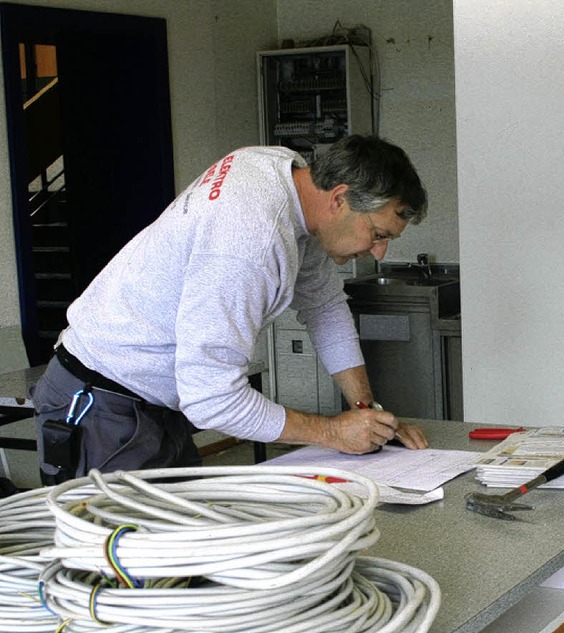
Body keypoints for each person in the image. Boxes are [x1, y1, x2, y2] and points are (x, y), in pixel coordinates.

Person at [31, 134, 429, 485]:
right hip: (101, 406)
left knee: (191, 553)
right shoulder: (248, 241)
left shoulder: (283, 176)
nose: (379, 252)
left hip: (153, 407)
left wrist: (366, 414)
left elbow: (325, 306)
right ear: (339, 198)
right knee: (124, 565)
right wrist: (332, 432)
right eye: (377, 235)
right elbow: (213, 400)